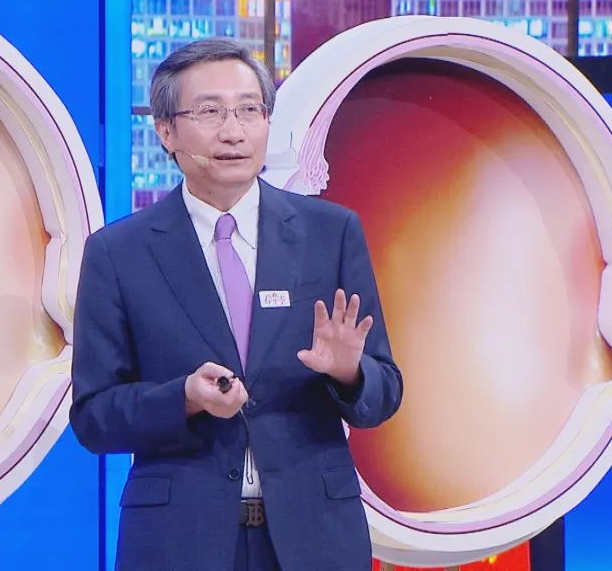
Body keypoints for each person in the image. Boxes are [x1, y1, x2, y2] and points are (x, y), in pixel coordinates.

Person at [69, 37, 403, 571]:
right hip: (179, 541)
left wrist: (349, 373)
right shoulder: (119, 253)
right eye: (210, 112)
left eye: (250, 110)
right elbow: (94, 417)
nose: (233, 130)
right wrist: (183, 397)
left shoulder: (330, 233)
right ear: (165, 130)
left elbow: (384, 393)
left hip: (316, 537)